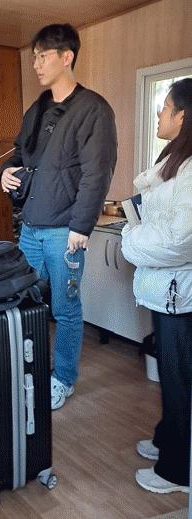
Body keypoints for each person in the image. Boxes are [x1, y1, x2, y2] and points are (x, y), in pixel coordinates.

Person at [0, 24, 117, 409]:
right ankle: (28, 370)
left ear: (67, 57)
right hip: (30, 228)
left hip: (65, 230)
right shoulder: (37, 109)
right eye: (34, 56)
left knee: (65, 310)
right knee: (22, 302)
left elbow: (98, 173)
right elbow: (20, 156)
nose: (36, 64)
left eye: (43, 56)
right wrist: (5, 172)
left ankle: (63, 378)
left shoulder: (94, 110)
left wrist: (81, 227)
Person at [121, 78, 192, 494]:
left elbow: (180, 239)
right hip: (170, 290)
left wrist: (130, 240)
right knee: (172, 376)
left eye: (165, 107)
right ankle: (169, 439)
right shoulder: (177, 160)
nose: (159, 114)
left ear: (183, 115)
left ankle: (178, 473)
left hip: (180, 294)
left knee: (179, 380)